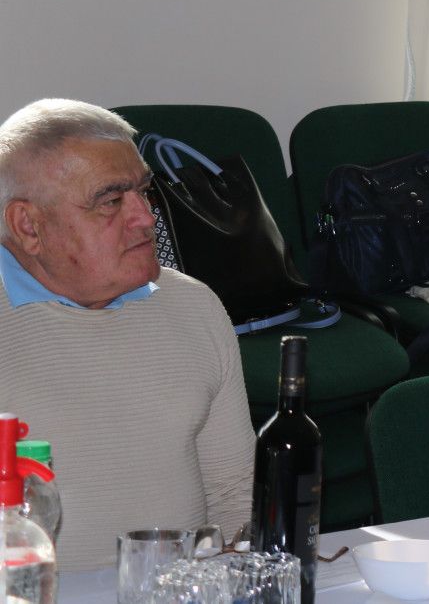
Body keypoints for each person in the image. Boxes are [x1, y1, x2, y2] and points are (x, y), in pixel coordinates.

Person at [0, 99, 254, 572]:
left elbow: (234, 491)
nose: (146, 217)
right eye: (111, 201)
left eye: (144, 191)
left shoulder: (193, 306)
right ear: (28, 226)